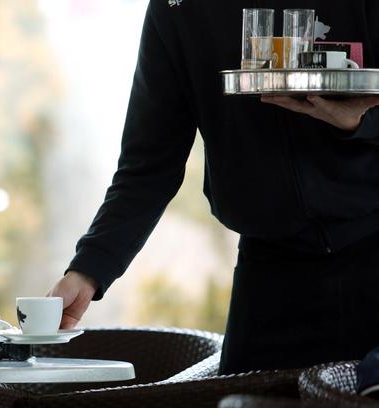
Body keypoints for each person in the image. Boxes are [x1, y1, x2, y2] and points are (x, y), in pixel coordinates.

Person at [47, 0, 379, 375]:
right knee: (236, 397)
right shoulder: (177, 9)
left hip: (372, 250)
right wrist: (88, 270)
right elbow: (148, 167)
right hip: (269, 276)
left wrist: (361, 123)